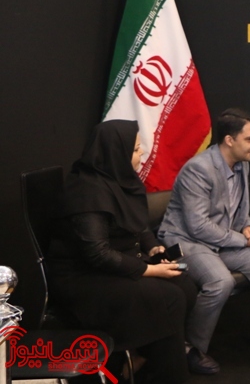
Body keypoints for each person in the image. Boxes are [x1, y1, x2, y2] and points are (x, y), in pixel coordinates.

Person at [47, 120, 197, 384]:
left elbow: (138, 225)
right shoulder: (87, 191)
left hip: (115, 266)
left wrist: (153, 247)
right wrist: (149, 270)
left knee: (184, 285)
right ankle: (163, 374)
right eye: (136, 149)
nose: (142, 153)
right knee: (169, 298)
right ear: (117, 152)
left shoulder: (119, 180)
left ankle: (145, 359)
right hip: (83, 279)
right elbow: (97, 254)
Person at [158, 108, 250, 375]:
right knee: (220, 281)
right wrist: (243, 240)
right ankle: (189, 348)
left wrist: (249, 227)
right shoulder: (198, 169)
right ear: (230, 140)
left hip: (219, 242)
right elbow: (198, 226)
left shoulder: (242, 164)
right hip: (186, 241)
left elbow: (237, 210)